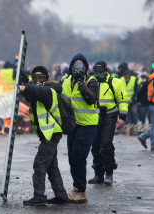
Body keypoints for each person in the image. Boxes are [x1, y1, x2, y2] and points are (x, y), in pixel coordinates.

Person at [19, 66, 68, 206]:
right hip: (48, 134)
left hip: (51, 133)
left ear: (46, 78)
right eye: (35, 78)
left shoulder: (49, 90)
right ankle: (61, 195)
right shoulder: (38, 90)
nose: (38, 80)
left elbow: (36, 91)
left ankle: (39, 196)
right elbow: (31, 95)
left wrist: (26, 88)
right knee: (52, 166)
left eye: (41, 77)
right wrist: (23, 79)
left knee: (39, 165)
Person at [61, 53, 99, 203]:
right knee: (71, 157)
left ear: (85, 67)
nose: (78, 67)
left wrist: (81, 83)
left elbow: (91, 99)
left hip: (87, 124)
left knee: (78, 156)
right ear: (71, 66)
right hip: (72, 125)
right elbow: (53, 92)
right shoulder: (65, 80)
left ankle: (81, 191)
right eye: (75, 64)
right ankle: (77, 188)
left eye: (81, 64)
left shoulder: (91, 80)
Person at [88, 61, 128, 186]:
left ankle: (109, 173)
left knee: (106, 144)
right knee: (95, 146)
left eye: (101, 69)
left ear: (106, 70)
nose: (98, 72)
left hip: (110, 116)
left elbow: (122, 99)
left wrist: (122, 117)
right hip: (94, 117)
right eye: (96, 69)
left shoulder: (115, 82)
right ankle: (98, 174)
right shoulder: (90, 82)